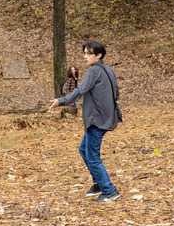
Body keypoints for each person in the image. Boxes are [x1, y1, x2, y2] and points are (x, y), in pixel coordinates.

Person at [49, 41, 121, 202]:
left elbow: (80, 91)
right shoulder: (108, 70)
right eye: (84, 53)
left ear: (98, 55)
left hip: (97, 120)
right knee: (83, 149)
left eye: (88, 53)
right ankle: (98, 183)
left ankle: (109, 190)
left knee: (92, 156)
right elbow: (116, 93)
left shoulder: (94, 71)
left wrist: (61, 101)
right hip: (105, 117)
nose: (85, 57)